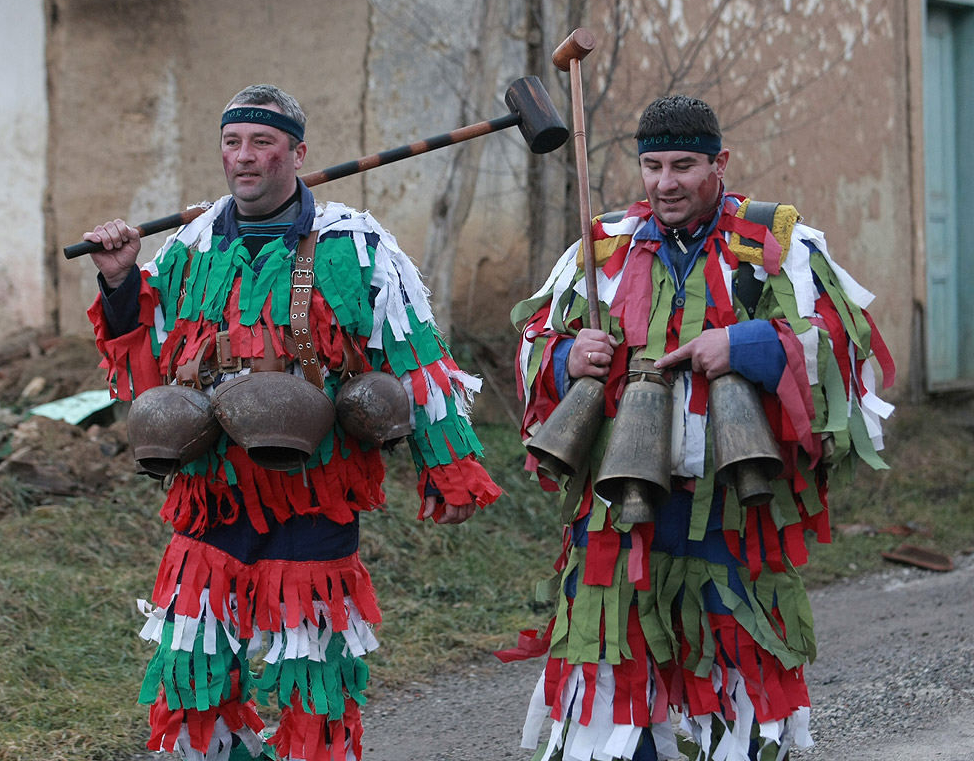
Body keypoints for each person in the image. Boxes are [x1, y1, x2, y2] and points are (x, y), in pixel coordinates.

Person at [84, 84, 501, 761]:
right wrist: (119, 281)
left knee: (315, 676)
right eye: (232, 143)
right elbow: (141, 361)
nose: (243, 159)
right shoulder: (189, 248)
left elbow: (416, 357)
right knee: (195, 667)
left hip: (317, 492)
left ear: (296, 153)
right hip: (212, 492)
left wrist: (448, 469)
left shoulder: (356, 248)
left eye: (262, 144)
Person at [505, 95, 894, 760]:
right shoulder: (603, 245)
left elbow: (843, 354)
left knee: (737, 681)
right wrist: (570, 355)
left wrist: (745, 346)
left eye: (683, 165)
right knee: (610, 685)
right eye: (652, 166)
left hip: (733, 509)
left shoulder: (776, 241)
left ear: (721, 162)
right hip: (616, 515)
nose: (664, 183)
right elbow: (533, 341)